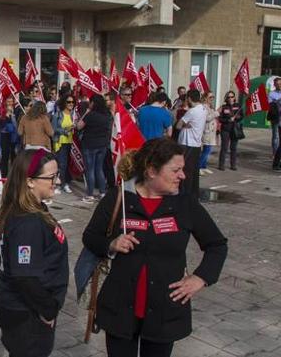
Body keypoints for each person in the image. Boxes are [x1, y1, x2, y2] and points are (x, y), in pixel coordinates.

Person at [82, 138, 228, 357]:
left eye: (183, 169)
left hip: (164, 312)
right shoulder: (119, 197)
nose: (183, 176)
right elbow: (90, 237)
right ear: (151, 171)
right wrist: (111, 244)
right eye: (176, 170)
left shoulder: (185, 204)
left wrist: (200, 278)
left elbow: (217, 245)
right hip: (120, 309)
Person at [0, 148, 68, 357]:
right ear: (30, 181)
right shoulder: (28, 222)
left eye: (57, 175)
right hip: (27, 312)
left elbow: (1, 259)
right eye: (51, 178)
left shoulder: (29, 209)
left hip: (22, 307)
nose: (58, 182)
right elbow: (24, 275)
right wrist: (47, 309)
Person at [76, 94, 112, 203]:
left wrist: (86, 113)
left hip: (90, 145)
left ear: (93, 103)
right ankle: (102, 192)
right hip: (102, 145)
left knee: (90, 170)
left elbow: (79, 126)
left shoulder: (90, 115)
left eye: (90, 102)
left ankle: (90, 194)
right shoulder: (107, 114)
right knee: (99, 169)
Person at [176, 89, 206, 197]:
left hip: (187, 143)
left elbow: (178, 125)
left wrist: (185, 125)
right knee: (193, 171)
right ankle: (193, 193)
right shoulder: (203, 108)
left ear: (189, 98)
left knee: (185, 170)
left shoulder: (192, 111)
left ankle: (185, 194)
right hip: (196, 144)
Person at [51, 95, 75, 194]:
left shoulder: (73, 114)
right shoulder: (58, 115)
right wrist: (65, 130)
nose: (71, 104)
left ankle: (62, 183)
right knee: (62, 164)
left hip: (70, 143)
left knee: (66, 165)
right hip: (60, 142)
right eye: (68, 102)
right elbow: (53, 129)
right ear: (64, 103)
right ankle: (61, 184)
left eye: (72, 102)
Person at [217, 90, 243, 171]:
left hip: (235, 129)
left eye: (232, 97)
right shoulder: (223, 107)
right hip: (225, 130)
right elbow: (220, 118)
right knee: (224, 148)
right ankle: (221, 165)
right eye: (229, 97)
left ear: (234, 97)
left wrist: (237, 117)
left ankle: (233, 165)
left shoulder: (238, 106)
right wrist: (228, 120)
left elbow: (242, 116)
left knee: (234, 148)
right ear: (226, 98)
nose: (230, 98)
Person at [0, 96, 20, 177]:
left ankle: (14, 175)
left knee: (14, 156)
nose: (10, 103)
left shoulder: (17, 110)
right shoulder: (2, 111)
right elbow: (2, 125)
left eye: (11, 101)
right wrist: (7, 116)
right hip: (5, 136)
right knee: (5, 157)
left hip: (14, 137)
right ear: (5, 103)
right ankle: (4, 176)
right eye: (8, 102)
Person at [199, 92, 219, 175]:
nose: (212, 99)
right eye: (210, 97)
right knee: (206, 150)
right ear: (205, 98)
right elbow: (207, 118)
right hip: (207, 131)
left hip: (211, 132)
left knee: (208, 150)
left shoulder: (210, 107)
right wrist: (217, 112)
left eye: (213, 97)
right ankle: (198, 167)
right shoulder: (203, 107)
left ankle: (203, 166)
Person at [267, 77, 281, 156]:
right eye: (277, 84)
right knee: (276, 136)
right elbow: (271, 105)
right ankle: (275, 153)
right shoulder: (271, 93)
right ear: (274, 85)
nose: (279, 85)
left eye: (280, 84)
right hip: (276, 118)